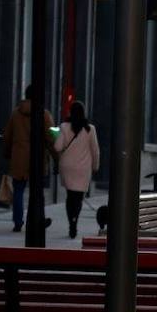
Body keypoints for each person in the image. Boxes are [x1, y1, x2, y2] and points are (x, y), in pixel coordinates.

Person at [2, 85, 54, 232]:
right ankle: (38, 218)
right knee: (37, 192)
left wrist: (7, 154)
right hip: (37, 159)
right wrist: (57, 156)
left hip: (19, 157)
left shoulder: (15, 114)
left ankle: (18, 221)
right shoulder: (45, 114)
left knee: (18, 190)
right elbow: (52, 138)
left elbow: (7, 136)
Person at [54, 101, 101, 239]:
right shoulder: (90, 129)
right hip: (83, 168)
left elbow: (57, 147)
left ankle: (71, 223)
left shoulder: (63, 127)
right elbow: (95, 151)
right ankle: (75, 220)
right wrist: (95, 166)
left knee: (70, 196)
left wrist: (55, 134)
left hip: (67, 167)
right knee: (78, 198)